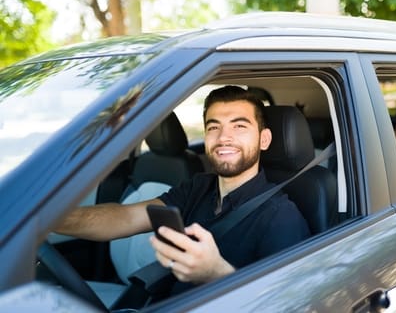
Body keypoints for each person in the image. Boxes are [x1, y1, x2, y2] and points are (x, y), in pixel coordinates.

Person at [55, 85, 310, 295]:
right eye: (213, 127)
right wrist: (44, 221)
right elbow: (126, 217)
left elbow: (290, 304)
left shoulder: (281, 218)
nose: (223, 137)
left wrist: (215, 274)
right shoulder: (199, 186)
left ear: (264, 140)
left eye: (239, 126)